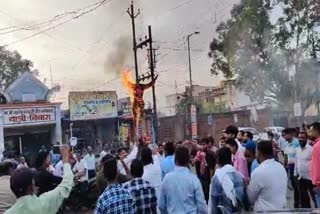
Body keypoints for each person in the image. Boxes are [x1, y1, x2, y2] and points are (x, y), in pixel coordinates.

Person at [5, 146, 74, 214]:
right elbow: (65, 185)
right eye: (48, 158)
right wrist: (65, 160)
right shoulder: (45, 201)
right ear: (31, 187)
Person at [158, 146, 207, 214]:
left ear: (175, 160)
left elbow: (161, 205)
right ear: (188, 161)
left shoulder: (167, 179)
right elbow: (202, 206)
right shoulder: (194, 180)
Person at [247, 140, 287, 211]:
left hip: (265, 211)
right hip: (281, 210)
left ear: (259, 153)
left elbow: (250, 198)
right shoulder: (281, 167)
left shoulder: (258, 171)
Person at [209, 147, 247, 214]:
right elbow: (245, 199)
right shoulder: (240, 176)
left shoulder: (218, 177)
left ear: (217, 160)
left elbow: (214, 203)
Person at [295, 131, 316, 208]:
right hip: (301, 178)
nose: (301, 139)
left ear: (306, 139)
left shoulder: (311, 149)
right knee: (303, 200)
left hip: (311, 178)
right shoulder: (297, 150)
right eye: (299, 137)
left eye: (303, 138)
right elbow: (296, 162)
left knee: (315, 198)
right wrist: (295, 174)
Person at [283, 128, 300, 208]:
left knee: (298, 186)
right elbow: (285, 157)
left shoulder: (296, 143)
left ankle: (299, 203)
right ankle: (296, 203)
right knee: (294, 186)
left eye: (286, 134)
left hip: (297, 166)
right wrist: (284, 167)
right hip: (290, 166)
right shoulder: (285, 144)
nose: (284, 136)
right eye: (284, 135)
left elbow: (299, 156)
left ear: (291, 134)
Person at [310, 122, 320, 207]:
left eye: (311, 131)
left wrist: (317, 183)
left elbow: (317, 166)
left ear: (316, 131)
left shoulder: (317, 146)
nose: (310, 134)